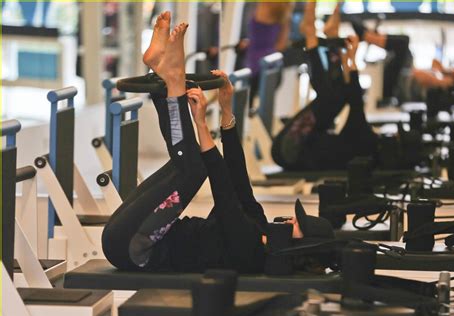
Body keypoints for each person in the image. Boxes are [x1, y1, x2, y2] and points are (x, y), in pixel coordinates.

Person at [102, 12, 338, 274]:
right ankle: (165, 77)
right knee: (189, 165)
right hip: (133, 232)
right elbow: (237, 178)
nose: (290, 219)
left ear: (298, 246)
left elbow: (223, 191)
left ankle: (172, 81)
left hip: (132, 249)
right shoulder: (259, 228)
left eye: (298, 224)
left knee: (194, 169)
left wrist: (201, 124)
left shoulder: (250, 253)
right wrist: (227, 111)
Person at [272, 2, 378, 171]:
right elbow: (352, 96)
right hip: (295, 146)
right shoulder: (361, 142)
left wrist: (350, 60)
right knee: (337, 95)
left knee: (331, 97)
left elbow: (355, 100)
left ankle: (312, 38)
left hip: (290, 151)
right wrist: (348, 59)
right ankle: (325, 38)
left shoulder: (364, 142)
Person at [351, 19, 454, 103]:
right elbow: (434, 62)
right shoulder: (445, 75)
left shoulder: (445, 84)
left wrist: (442, 76)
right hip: (401, 78)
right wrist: (445, 70)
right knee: (404, 45)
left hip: (395, 88)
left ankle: (367, 35)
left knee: (403, 44)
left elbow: (417, 75)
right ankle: (371, 35)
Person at [244, 2, 294, 106]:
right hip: (272, 66)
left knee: (247, 107)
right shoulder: (284, 10)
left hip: (258, 68)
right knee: (263, 109)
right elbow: (281, 44)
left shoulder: (266, 5)